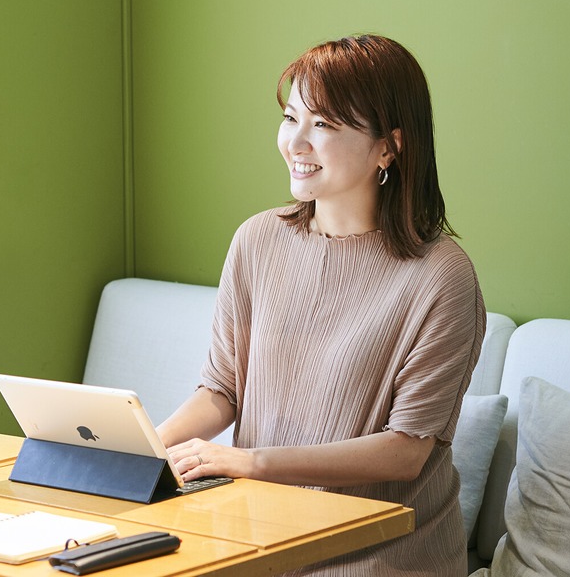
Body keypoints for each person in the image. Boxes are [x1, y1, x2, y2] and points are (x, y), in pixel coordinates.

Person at [158, 35, 486, 576]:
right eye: (291, 118)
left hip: (383, 556)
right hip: (259, 539)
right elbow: (222, 389)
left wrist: (252, 463)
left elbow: (406, 451)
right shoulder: (257, 240)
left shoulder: (441, 275)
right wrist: (139, 444)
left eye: (325, 125)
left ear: (390, 147)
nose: (296, 143)